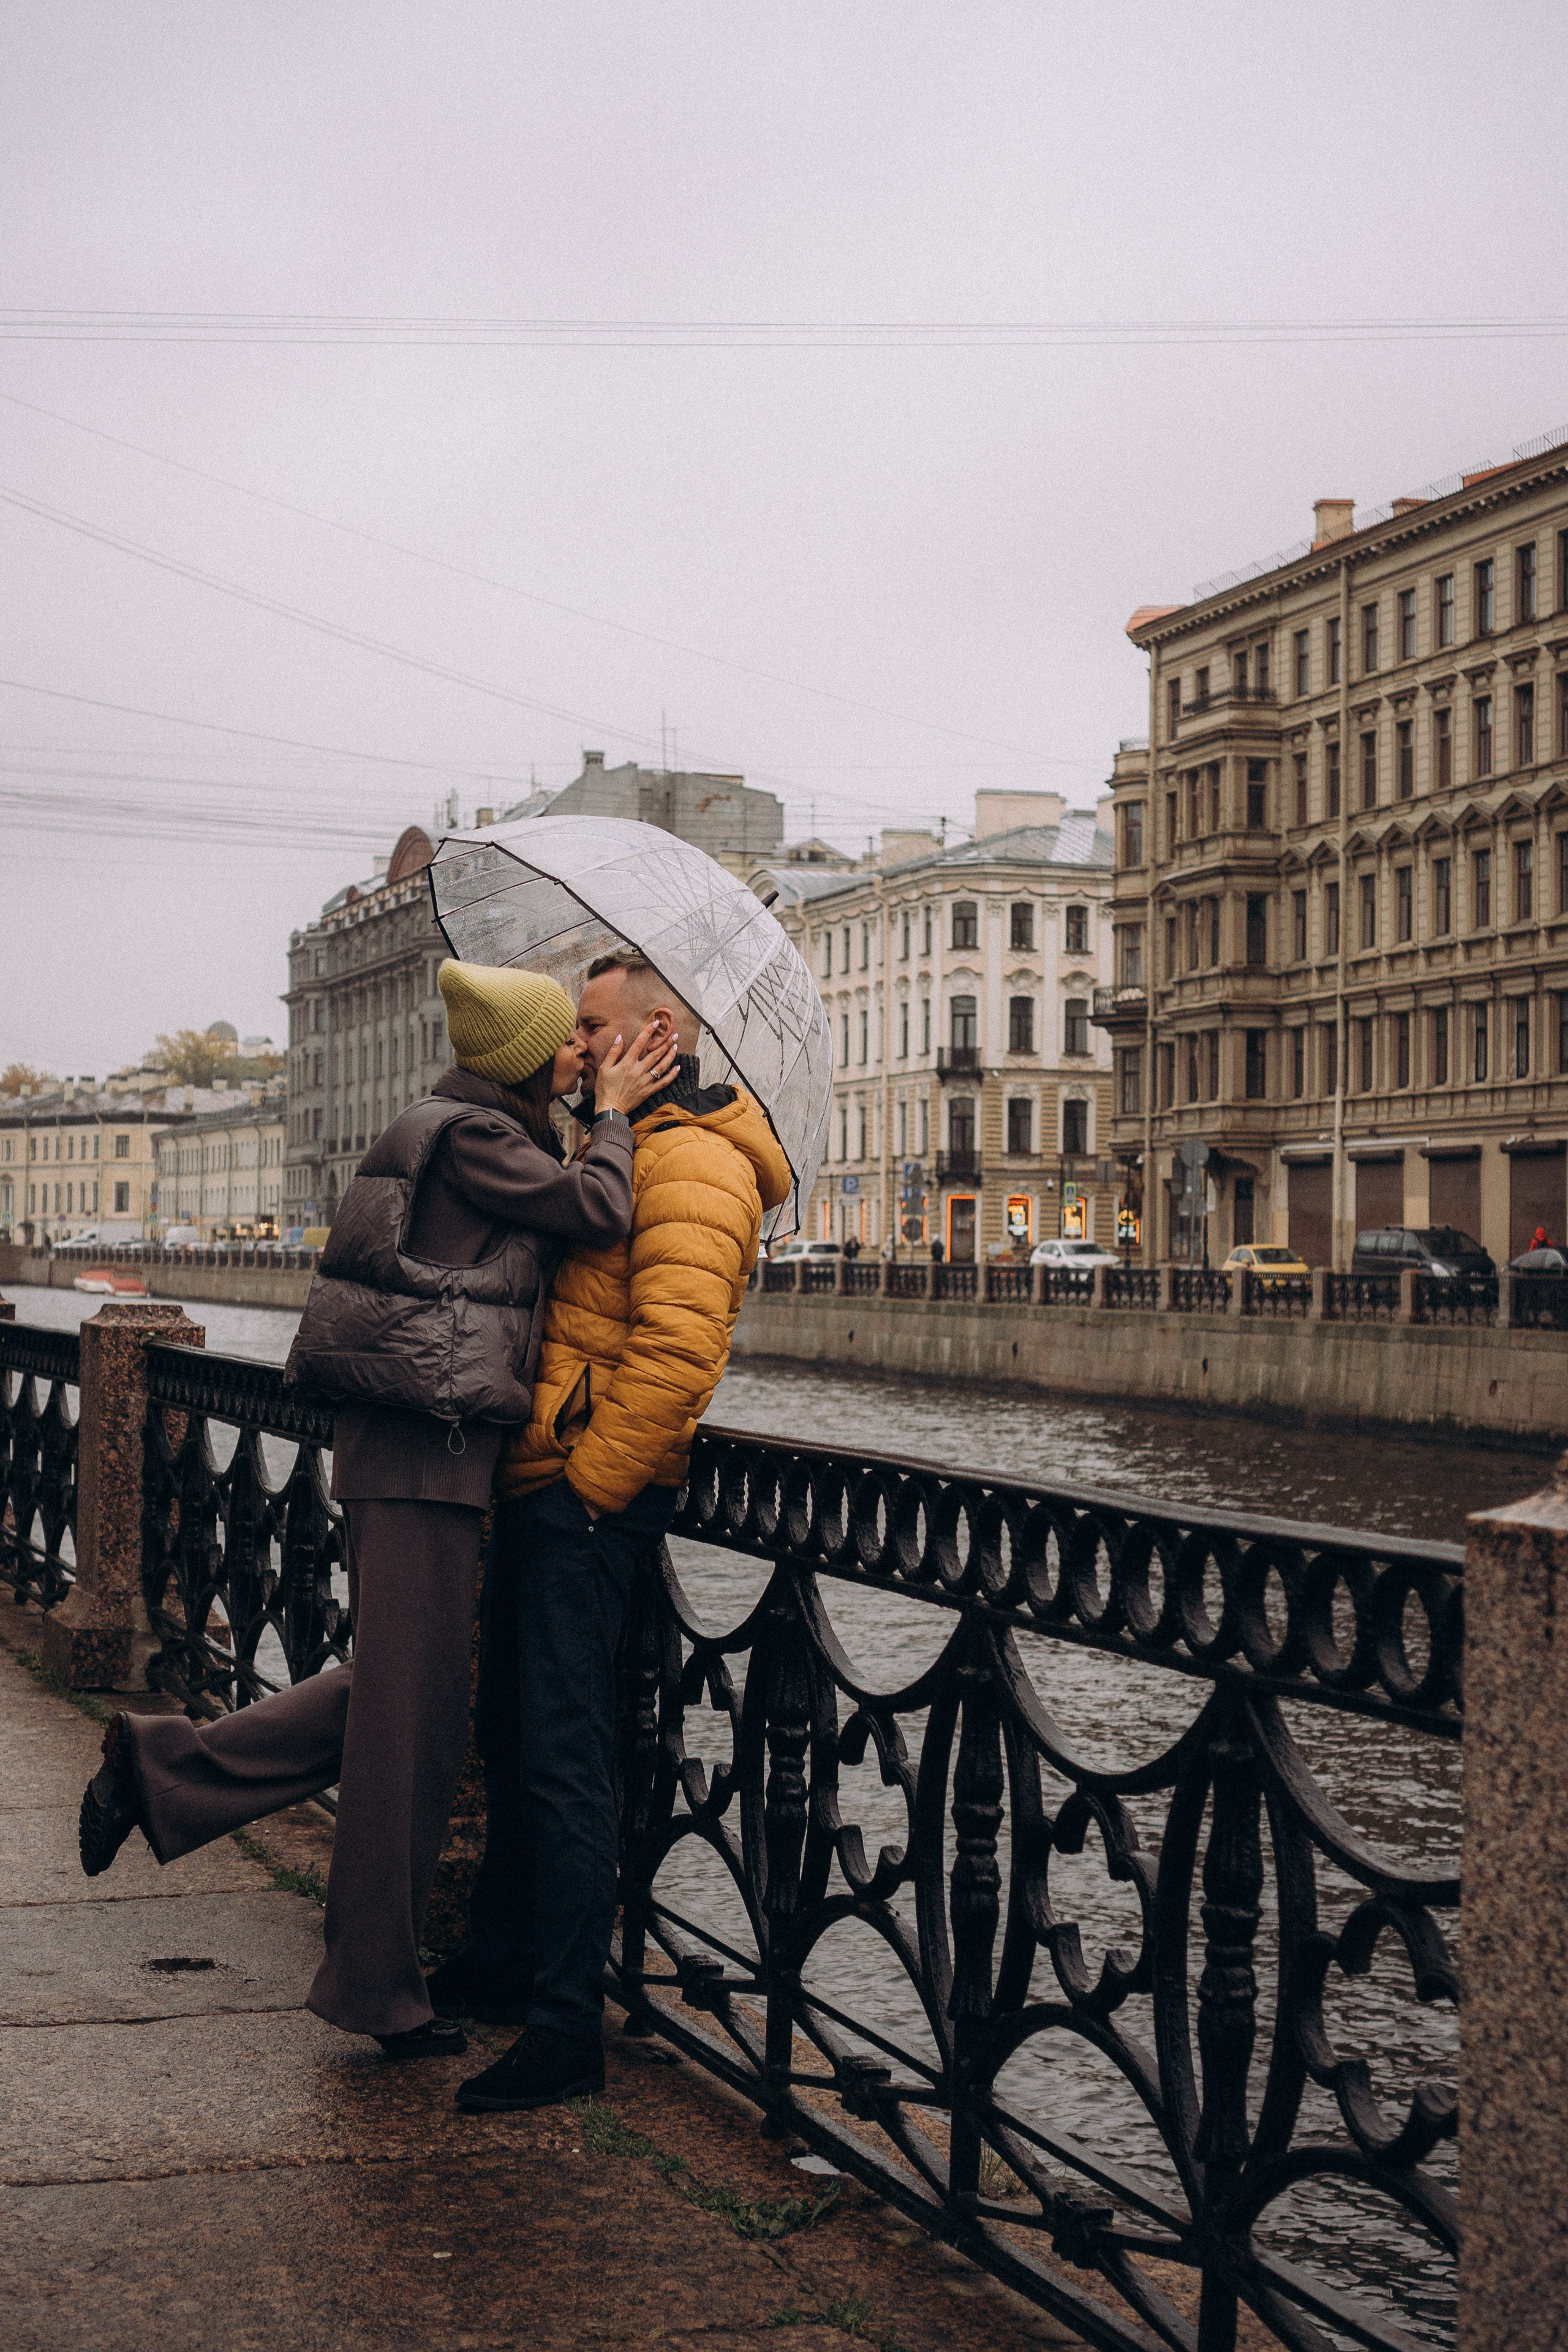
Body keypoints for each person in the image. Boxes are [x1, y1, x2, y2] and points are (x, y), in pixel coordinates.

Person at [77, 960, 676, 2060]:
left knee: (404, 1699)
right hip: (419, 1451)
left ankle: (160, 1773)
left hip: (424, 1451)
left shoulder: (467, 1127)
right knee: (413, 1725)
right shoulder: (475, 1138)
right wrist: (620, 1121)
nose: (582, 1054)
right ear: (525, 1057)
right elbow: (598, 1210)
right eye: (567, 1040)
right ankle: (375, 1988)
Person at [436, 946, 790, 2113]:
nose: (573, 1047)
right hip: (547, 1481)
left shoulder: (699, 1163)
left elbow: (678, 1357)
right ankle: (501, 1965)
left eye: (590, 1027)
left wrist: (586, 1492)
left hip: (588, 1504)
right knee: (517, 1739)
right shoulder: (628, 1141)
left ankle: (563, 2029)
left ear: (656, 1036)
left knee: (567, 1761)